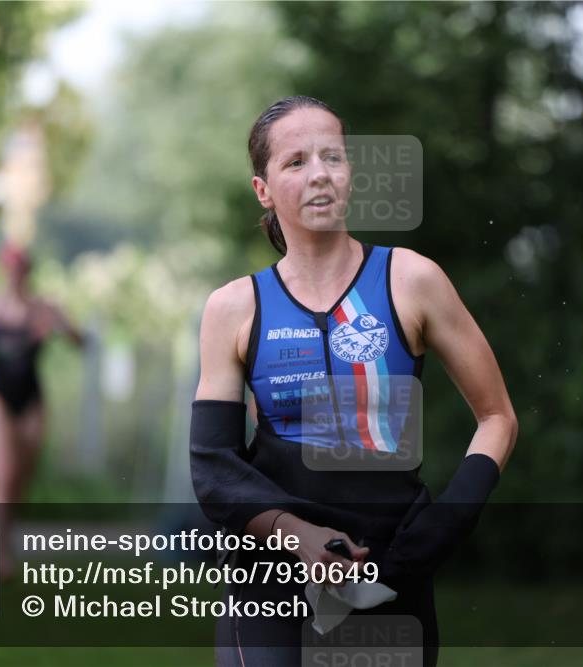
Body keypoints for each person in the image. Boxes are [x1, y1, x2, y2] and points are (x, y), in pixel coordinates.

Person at [191, 96, 518, 666]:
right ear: (263, 190)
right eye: (296, 162)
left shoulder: (411, 280)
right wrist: (295, 533)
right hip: (270, 577)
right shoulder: (233, 307)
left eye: (332, 157)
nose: (319, 173)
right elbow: (213, 464)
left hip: (392, 569)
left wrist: (446, 522)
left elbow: (497, 417)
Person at [0, 243, 83, 576]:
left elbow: (78, 340)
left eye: (20, 268)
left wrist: (65, 328)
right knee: (4, 473)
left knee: (21, 478)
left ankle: (4, 540)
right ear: (3, 270)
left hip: (32, 399)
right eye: (9, 268)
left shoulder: (43, 308)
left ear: (28, 271)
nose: (15, 274)